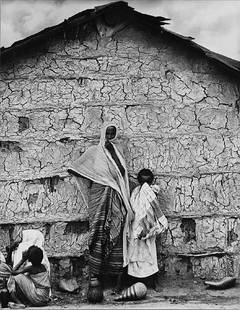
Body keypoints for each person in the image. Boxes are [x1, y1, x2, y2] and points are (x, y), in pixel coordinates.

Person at [68, 122, 134, 303]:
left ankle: (117, 277)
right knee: (98, 233)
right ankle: (95, 277)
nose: (111, 134)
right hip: (99, 195)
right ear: (103, 131)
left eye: (113, 131)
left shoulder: (118, 150)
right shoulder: (94, 151)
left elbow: (122, 174)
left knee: (116, 231)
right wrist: (99, 179)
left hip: (116, 195)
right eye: (108, 131)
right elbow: (77, 168)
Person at [127, 168, 168, 288]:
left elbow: (154, 208)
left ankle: (153, 282)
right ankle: (135, 282)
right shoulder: (136, 192)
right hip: (137, 227)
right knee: (138, 254)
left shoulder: (150, 191)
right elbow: (134, 207)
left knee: (149, 253)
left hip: (147, 228)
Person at [0, 230, 51, 307]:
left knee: (16, 276)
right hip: (45, 298)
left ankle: (19, 302)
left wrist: (22, 260)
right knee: (23, 277)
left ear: (29, 259)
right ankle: (25, 299)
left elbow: (13, 272)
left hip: (37, 297)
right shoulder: (43, 265)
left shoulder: (30, 268)